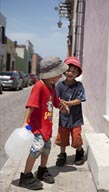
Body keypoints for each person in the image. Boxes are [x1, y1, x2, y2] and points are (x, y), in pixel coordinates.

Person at [19, 56, 69, 190]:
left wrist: (63, 106)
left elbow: (56, 102)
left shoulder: (51, 87)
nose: (60, 76)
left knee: (46, 149)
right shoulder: (39, 86)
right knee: (36, 150)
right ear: (52, 74)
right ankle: (26, 176)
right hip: (37, 126)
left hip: (47, 126)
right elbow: (31, 105)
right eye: (59, 74)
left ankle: (42, 170)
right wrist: (25, 122)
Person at [55, 56, 86, 166]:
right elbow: (56, 99)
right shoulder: (59, 85)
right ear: (64, 71)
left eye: (73, 71)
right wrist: (61, 105)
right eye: (68, 70)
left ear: (77, 73)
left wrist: (67, 103)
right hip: (63, 118)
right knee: (62, 137)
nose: (70, 73)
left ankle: (79, 151)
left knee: (76, 137)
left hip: (76, 118)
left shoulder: (79, 86)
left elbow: (80, 99)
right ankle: (62, 155)